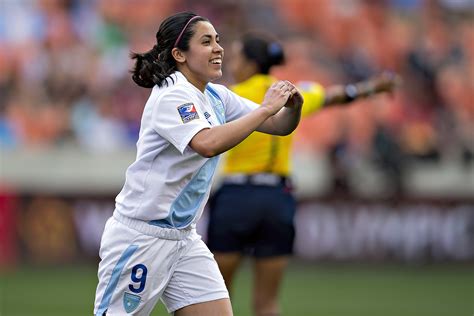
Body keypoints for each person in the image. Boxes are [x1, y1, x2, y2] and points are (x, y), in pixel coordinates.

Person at [93, 13, 304, 316]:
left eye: (218, 40)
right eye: (206, 41)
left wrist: (293, 108)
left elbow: (280, 125)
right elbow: (207, 143)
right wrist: (267, 108)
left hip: (183, 238)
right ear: (179, 54)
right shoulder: (172, 93)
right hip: (141, 237)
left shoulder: (216, 95)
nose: (218, 48)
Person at [206, 32, 400, 316]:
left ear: (250, 63)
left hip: (237, 196)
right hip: (277, 198)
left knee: (217, 298)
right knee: (267, 303)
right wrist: (374, 87)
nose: (231, 62)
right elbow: (337, 96)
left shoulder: (231, 96)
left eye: (236, 57)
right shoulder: (290, 92)